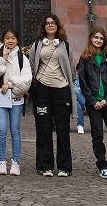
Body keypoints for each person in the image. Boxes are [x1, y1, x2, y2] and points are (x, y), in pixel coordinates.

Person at [28, 13, 75, 177]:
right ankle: (45, 165)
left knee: (63, 129)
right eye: (47, 23)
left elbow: (71, 67)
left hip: (61, 89)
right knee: (43, 128)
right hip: (42, 88)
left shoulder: (65, 45)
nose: (50, 25)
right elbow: (32, 65)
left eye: (53, 23)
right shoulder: (36, 45)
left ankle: (64, 167)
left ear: (57, 26)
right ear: (43, 26)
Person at [76, 27, 107, 179]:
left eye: (101, 38)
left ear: (104, 41)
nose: (98, 40)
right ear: (91, 39)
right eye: (96, 37)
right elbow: (83, 83)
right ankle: (102, 165)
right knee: (97, 136)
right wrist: (92, 101)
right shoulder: (85, 59)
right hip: (94, 104)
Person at [0, 28, 31, 176]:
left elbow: (27, 79)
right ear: (3, 40)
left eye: (13, 38)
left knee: (15, 130)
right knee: (1, 130)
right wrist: (3, 58)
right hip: (0, 97)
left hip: (15, 97)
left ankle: (15, 162)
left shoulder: (22, 58)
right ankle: (1, 162)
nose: (10, 41)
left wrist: (11, 84)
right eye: (7, 38)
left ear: (17, 40)